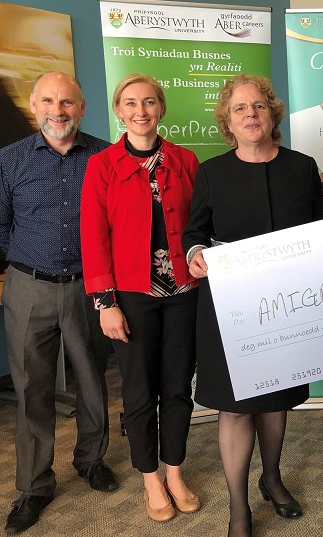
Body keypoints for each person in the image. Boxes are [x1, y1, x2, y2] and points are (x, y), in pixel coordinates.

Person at [182, 73, 323, 537]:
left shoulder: (301, 168)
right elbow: (193, 234)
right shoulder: (212, 172)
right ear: (228, 120)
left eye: (259, 106)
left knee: (275, 400)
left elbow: (317, 233)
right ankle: (239, 508)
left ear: (272, 113)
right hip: (229, 309)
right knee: (237, 407)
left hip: (286, 304)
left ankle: (272, 477)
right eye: (240, 109)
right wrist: (195, 255)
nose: (251, 115)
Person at [0, 72, 118, 534]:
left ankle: (91, 460)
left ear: (82, 108)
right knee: (32, 388)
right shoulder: (9, 161)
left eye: (67, 102)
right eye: (48, 101)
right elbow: (1, 226)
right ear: (34, 105)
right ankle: (34, 485)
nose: (58, 110)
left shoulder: (105, 157)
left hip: (89, 287)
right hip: (29, 288)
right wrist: (26, 261)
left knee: (93, 378)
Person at [80, 73, 200, 522]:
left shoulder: (186, 160)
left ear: (161, 108)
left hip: (183, 292)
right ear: (119, 111)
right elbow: (93, 235)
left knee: (176, 388)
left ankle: (173, 471)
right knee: (138, 389)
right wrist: (105, 302)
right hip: (130, 297)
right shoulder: (102, 165)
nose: (141, 111)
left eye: (149, 102)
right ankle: (149, 476)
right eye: (130, 103)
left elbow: (199, 224)